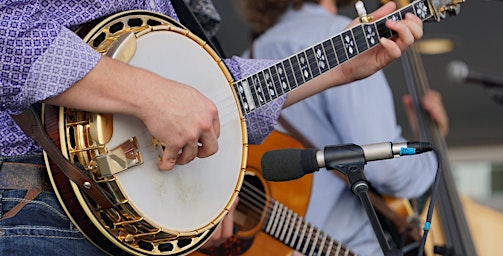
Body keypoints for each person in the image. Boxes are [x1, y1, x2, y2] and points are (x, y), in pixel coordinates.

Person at [0, 0, 423, 255]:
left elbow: (212, 95)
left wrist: (338, 67)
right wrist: (150, 95)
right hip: (38, 209)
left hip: (136, 234)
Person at [238, 0, 448, 255]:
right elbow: (386, 168)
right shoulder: (340, 39)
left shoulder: (251, 54)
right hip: (347, 244)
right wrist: (429, 154)